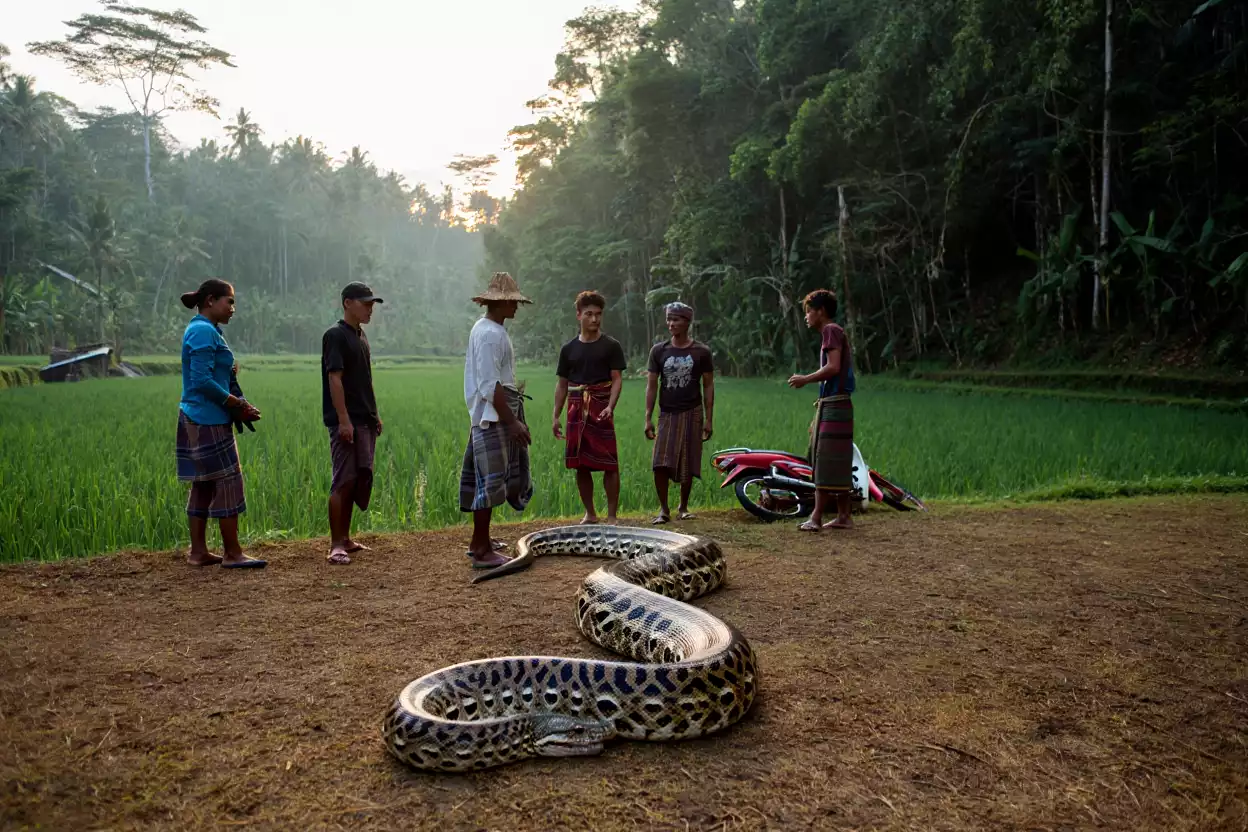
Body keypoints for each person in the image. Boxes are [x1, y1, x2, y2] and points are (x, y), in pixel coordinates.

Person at [176, 278, 266, 569]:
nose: (233, 308)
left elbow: (214, 376)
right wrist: (236, 404)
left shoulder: (206, 330)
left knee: (203, 484)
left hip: (200, 416)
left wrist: (238, 404)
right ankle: (232, 552)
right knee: (228, 481)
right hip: (207, 418)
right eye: (229, 301)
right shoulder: (203, 332)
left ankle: (198, 552)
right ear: (211, 301)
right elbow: (201, 381)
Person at [459, 272, 534, 569]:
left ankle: (483, 541)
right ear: (496, 303)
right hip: (493, 417)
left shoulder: (488, 329)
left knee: (489, 478)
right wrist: (512, 422)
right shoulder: (490, 334)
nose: (516, 307)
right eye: (511, 302)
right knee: (490, 482)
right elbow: (491, 385)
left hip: (491, 414)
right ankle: (480, 549)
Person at [321, 281, 384, 565]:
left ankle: (346, 538)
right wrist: (343, 420)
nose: (370, 308)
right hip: (347, 420)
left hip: (364, 418)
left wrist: (374, 414)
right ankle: (336, 544)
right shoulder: (335, 335)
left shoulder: (360, 336)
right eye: (365, 303)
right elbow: (335, 378)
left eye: (372, 304)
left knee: (359, 478)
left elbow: (365, 381)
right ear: (348, 303)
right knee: (344, 480)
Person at [552, 290, 627, 524]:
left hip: (601, 404)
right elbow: (562, 384)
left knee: (609, 462)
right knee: (580, 464)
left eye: (598, 314)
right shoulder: (568, 349)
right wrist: (556, 416)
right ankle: (590, 513)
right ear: (578, 315)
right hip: (576, 407)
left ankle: (612, 515)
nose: (594, 319)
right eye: (589, 314)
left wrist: (611, 406)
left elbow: (616, 379)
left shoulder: (611, 346)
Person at [788, 288, 856, 531]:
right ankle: (844, 515)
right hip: (834, 403)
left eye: (809, 312)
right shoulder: (833, 332)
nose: (806, 316)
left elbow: (833, 367)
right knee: (835, 458)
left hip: (835, 404)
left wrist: (805, 378)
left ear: (821, 312)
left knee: (825, 459)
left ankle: (816, 517)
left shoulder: (830, 331)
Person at [644, 301, 715, 524]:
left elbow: (709, 385)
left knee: (688, 459)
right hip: (667, 412)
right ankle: (663, 510)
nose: (671, 323)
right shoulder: (659, 351)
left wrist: (709, 419)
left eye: (676, 319)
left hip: (692, 411)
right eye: (669, 319)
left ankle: (683, 507)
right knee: (660, 462)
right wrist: (647, 416)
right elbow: (652, 385)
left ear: (687, 322)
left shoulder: (701, 352)